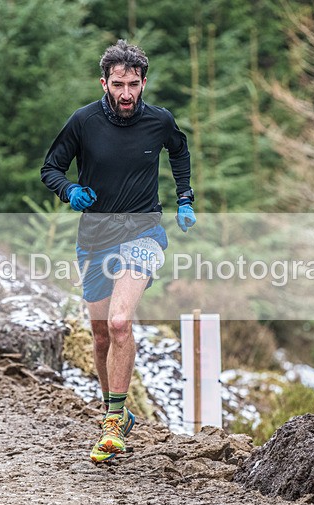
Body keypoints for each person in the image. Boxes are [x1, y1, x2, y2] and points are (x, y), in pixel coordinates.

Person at [41, 39, 196, 463]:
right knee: (100, 334)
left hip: (143, 232)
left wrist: (185, 198)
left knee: (120, 322)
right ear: (104, 83)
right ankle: (118, 413)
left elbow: (179, 151)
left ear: (144, 83)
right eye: (117, 85)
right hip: (94, 237)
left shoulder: (159, 121)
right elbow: (50, 168)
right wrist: (69, 190)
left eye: (133, 85)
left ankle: (111, 422)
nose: (126, 94)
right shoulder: (83, 121)